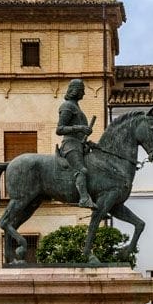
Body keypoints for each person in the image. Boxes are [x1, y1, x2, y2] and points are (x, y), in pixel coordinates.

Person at [56, 78, 97, 209]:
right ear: (75, 91)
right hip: (70, 145)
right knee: (82, 170)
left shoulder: (76, 107)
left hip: (79, 145)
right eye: (82, 91)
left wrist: (88, 142)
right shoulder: (67, 106)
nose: (84, 94)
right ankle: (84, 199)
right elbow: (60, 129)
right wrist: (80, 128)